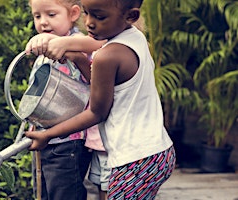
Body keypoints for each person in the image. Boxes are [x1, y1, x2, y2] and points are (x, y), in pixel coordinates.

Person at [25, 0, 177, 199]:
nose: (89, 23)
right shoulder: (135, 37)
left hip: (134, 160)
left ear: (131, 16)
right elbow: (105, 87)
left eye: (99, 16)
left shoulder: (106, 56)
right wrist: (79, 58)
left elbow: (97, 112)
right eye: (87, 13)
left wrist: (48, 135)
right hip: (158, 151)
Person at [23, 0, 95, 199]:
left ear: (73, 14)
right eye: (37, 16)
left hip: (68, 140)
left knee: (65, 193)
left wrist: (76, 56)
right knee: (48, 192)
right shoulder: (43, 47)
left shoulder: (80, 43)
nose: (43, 22)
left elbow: (94, 81)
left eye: (51, 15)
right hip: (46, 137)